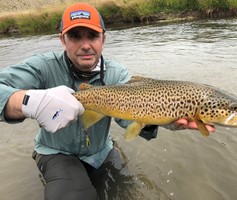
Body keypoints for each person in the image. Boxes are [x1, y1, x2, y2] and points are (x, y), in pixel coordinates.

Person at [0, 2, 215, 200]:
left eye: (92, 36)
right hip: (55, 152)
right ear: (62, 40)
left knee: (129, 192)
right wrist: (28, 101)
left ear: (103, 39)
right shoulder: (42, 67)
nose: (85, 45)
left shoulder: (117, 74)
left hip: (101, 152)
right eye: (75, 36)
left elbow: (130, 120)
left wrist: (159, 119)